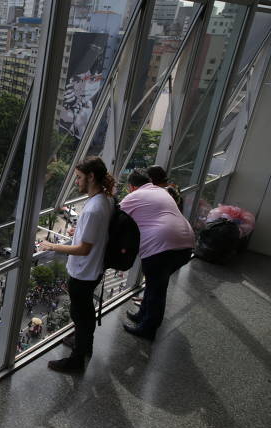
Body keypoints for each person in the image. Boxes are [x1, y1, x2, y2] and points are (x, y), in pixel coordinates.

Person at [39, 156, 114, 372]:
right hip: (93, 269)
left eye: (79, 177)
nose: (76, 182)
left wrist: (52, 246)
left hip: (83, 272)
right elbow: (94, 235)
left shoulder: (93, 208)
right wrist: (78, 231)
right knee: (85, 312)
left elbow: (84, 249)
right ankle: (85, 345)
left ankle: (76, 360)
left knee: (80, 315)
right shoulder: (105, 200)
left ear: (91, 177)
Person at [120, 168, 194, 340]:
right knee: (155, 284)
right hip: (186, 243)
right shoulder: (163, 192)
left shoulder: (134, 196)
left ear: (132, 187)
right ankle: (142, 315)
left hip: (161, 246)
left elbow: (115, 217)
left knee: (156, 289)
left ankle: (148, 328)